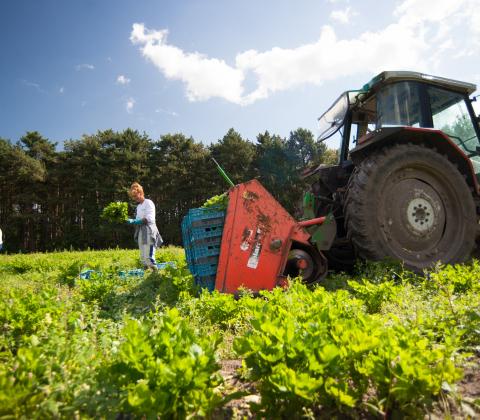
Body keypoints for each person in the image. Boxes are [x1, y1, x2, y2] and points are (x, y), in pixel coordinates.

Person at [127, 182, 163, 270]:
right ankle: (146, 275)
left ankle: (155, 275)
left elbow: (149, 218)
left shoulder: (148, 203)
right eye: (133, 197)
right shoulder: (138, 207)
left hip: (149, 230)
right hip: (140, 231)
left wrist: (136, 221)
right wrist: (133, 221)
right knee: (143, 256)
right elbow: (138, 220)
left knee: (149, 256)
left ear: (140, 193)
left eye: (136, 196)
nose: (135, 198)